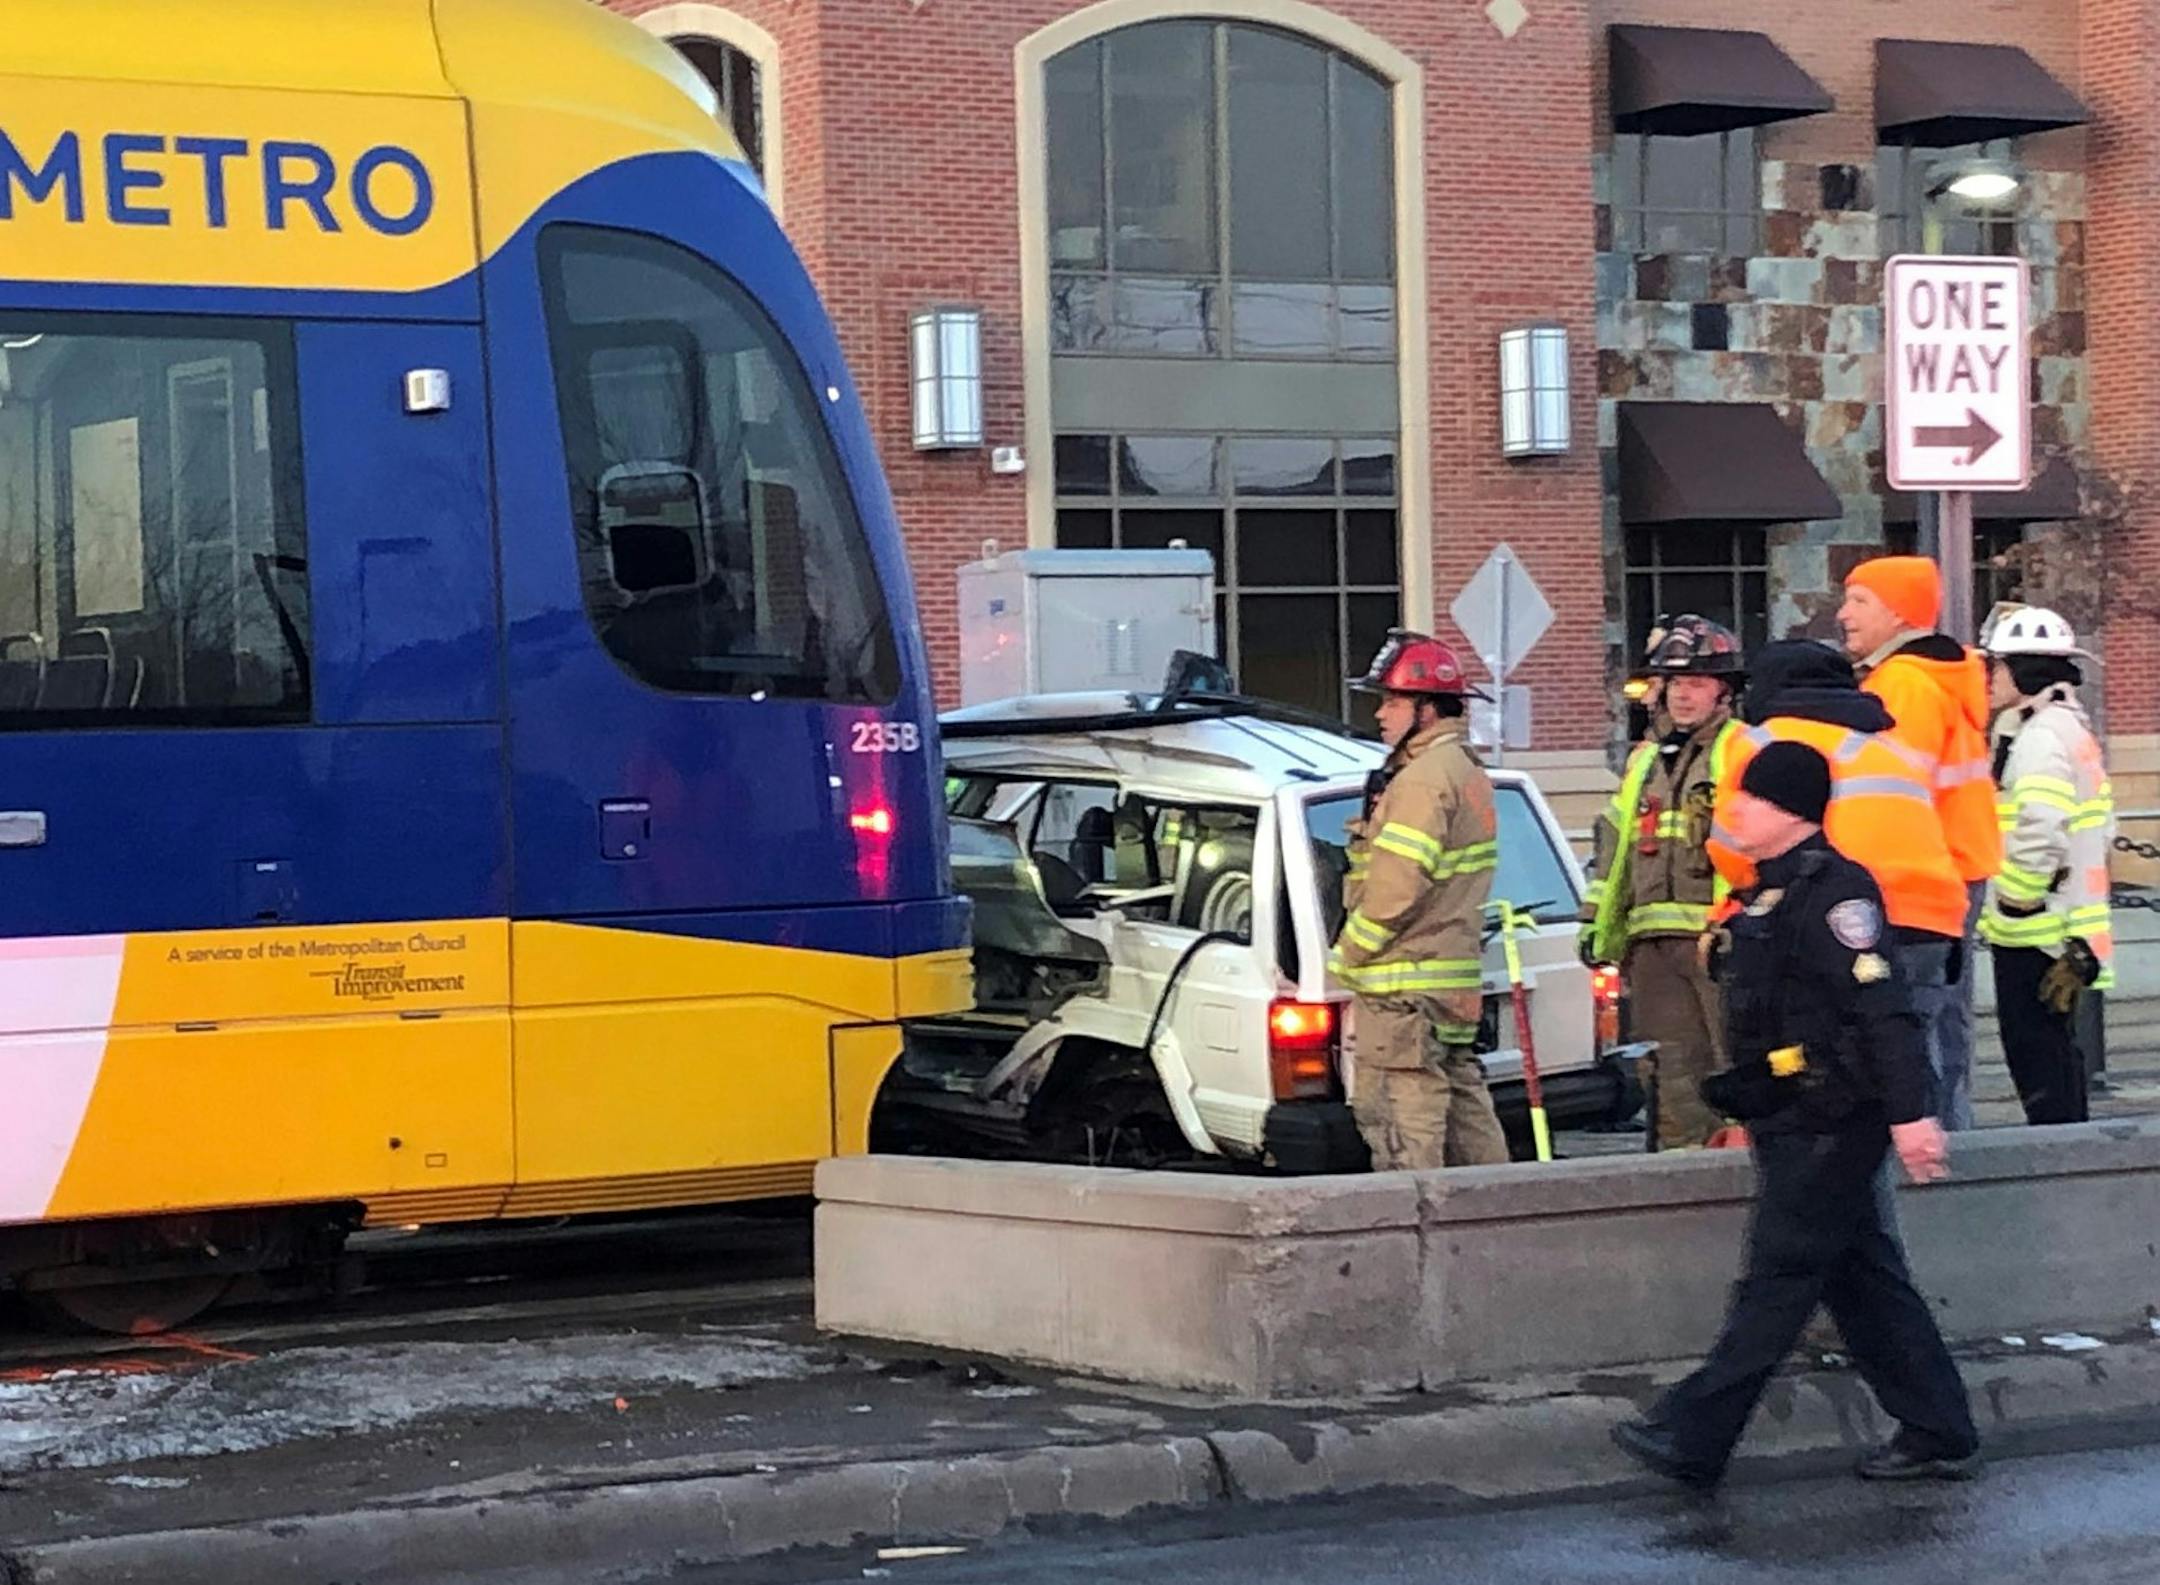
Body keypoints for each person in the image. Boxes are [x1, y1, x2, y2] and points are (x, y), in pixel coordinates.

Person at [1612, 741, 1980, 1490]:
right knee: (1864, 1280)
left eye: (1751, 797)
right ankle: (1938, 1428)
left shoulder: (1837, 893)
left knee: (1778, 1279)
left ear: (1790, 811)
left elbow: (1884, 1010)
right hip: (1791, 1114)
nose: (1735, 808)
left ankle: (1693, 1436)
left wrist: (1911, 1116)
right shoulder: (1764, 893)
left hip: (1834, 1119)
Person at [1709, 642, 1969, 1022]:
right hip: (1930, 920)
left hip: (1837, 919)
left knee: (1838, 1047)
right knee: (1912, 1043)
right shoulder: (1892, 746)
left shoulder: (1762, 741)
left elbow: (1731, 847)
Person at [1330, 630, 1509, 1170]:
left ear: (1426, 710)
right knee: (1462, 1099)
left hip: (1402, 984)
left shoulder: (1421, 781)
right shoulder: (1464, 770)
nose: (1380, 713)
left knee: (1399, 1112)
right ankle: (1497, 1205)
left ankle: (1417, 1214)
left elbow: (1398, 886)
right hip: (1447, 979)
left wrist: (1349, 954)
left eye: (1392, 701)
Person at [1839, 557, 2002, 1130]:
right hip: (1953, 866)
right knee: (1945, 1018)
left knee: (1914, 1020)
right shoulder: (1931, 678)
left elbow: (1888, 795)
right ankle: (1951, 1138)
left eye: (1859, 601)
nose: (1844, 614)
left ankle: (1933, 1147)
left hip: (1918, 876)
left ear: (1898, 613)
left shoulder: (1902, 685)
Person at [1580, 616, 1745, 1149]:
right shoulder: (1645, 761)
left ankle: (1742, 1169)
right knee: (1670, 1073)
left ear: (1724, 692)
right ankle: (1683, 1172)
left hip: (1719, 942)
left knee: (1734, 1064)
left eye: (1696, 683)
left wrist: (1738, 927)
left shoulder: (1741, 750)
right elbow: (1615, 849)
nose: (1682, 695)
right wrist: (1596, 925)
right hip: (1651, 946)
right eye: (1674, 683)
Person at [1978, 604, 2116, 1126]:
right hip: (2061, 925)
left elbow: (2040, 826)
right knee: (2056, 1055)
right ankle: (2068, 1146)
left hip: (2035, 930)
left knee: (2037, 1056)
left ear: (2024, 670)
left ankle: (2056, 1152)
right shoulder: (2064, 728)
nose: (1990, 678)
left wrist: (2017, 898)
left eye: (1997, 666)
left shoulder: (2040, 738)